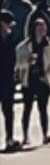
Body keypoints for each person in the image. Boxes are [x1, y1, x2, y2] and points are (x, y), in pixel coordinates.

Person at [17, 14, 50, 146]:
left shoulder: (49, 46)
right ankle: (25, 136)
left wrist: (48, 74)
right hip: (29, 79)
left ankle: (45, 134)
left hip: (42, 80)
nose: (41, 31)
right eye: (38, 28)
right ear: (33, 30)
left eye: (43, 28)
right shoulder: (24, 46)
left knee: (43, 109)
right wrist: (26, 62)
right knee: (27, 108)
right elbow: (18, 63)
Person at [0, 10, 18, 152]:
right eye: (8, 24)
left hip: (8, 79)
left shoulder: (11, 38)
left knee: (8, 111)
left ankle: (9, 138)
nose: (10, 26)